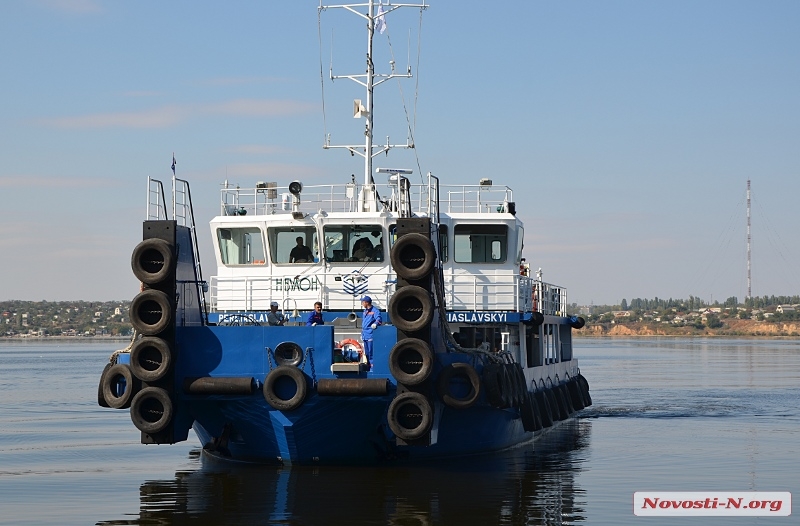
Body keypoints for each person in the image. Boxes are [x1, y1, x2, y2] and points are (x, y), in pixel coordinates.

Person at [360, 295, 382, 368]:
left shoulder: (375, 311)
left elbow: (379, 319)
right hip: (365, 334)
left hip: (370, 334)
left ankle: (373, 367)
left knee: (371, 352)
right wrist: (362, 333)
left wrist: (375, 324)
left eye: (362, 302)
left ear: (366, 302)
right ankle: (369, 366)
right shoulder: (365, 312)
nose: (362, 304)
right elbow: (364, 323)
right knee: (366, 352)